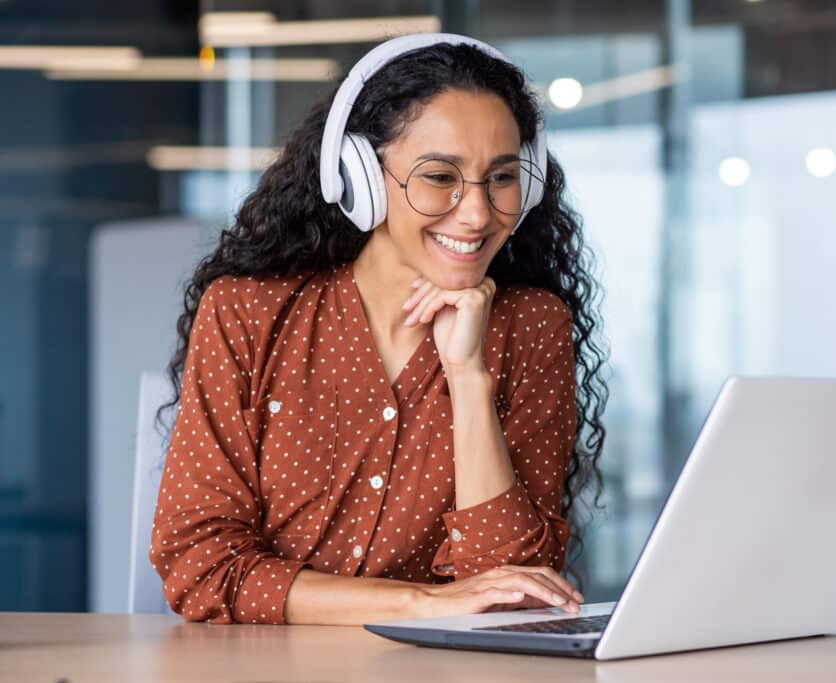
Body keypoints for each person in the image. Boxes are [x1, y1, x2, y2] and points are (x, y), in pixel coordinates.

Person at [150, 33, 608, 626]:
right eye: (440, 176)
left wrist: (469, 380)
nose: (477, 213)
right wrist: (418, 603)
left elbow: (513, 589)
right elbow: (200, 565)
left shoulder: (531, 327)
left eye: (501, 178)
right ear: (360, 177)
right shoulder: (246, 314)